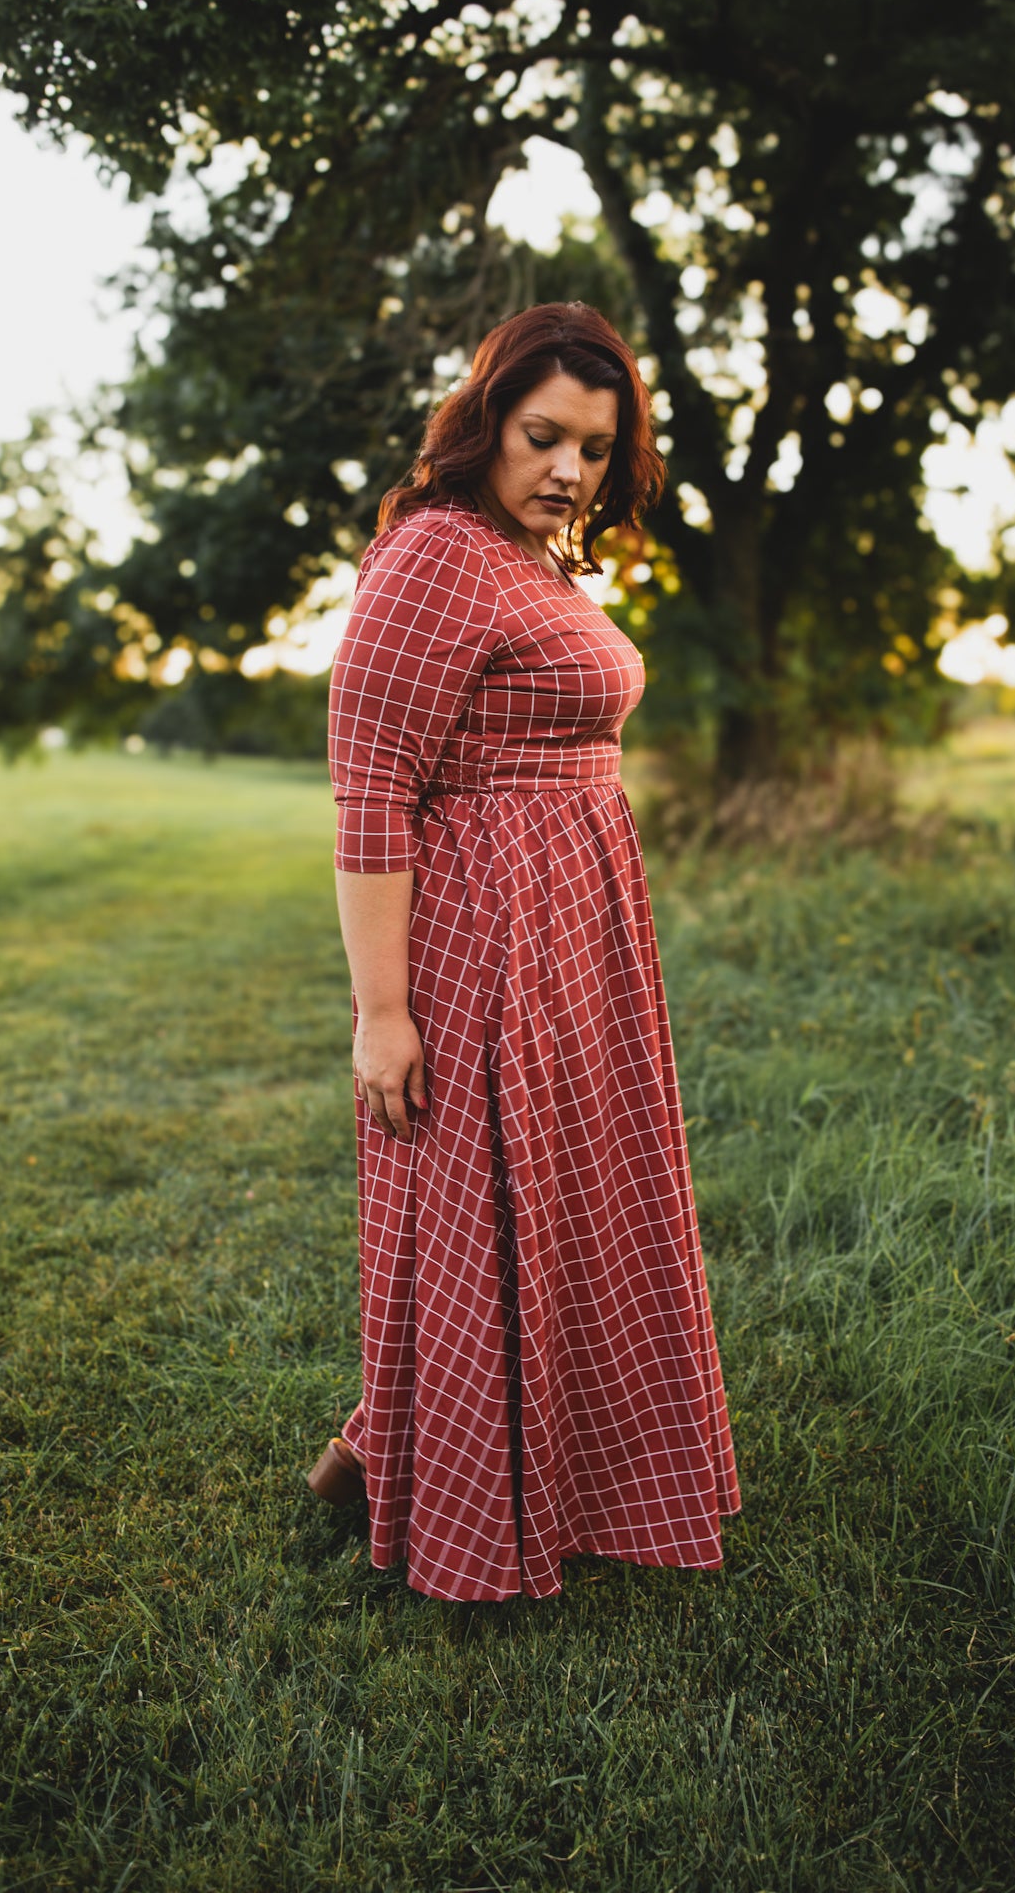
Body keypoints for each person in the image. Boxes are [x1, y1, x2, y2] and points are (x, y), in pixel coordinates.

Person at [310, 301, 740, 1601]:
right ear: (485, 420)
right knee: (478, 1209)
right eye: (543, 435)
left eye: (596, 449)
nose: (568, 469)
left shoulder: (537, 559)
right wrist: (382, 1012)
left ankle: (423, 1461)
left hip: (578, 938)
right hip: (480, 934)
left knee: (566, 1206)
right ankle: (429, 1489)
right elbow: (372, 783)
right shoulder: (436, 552)